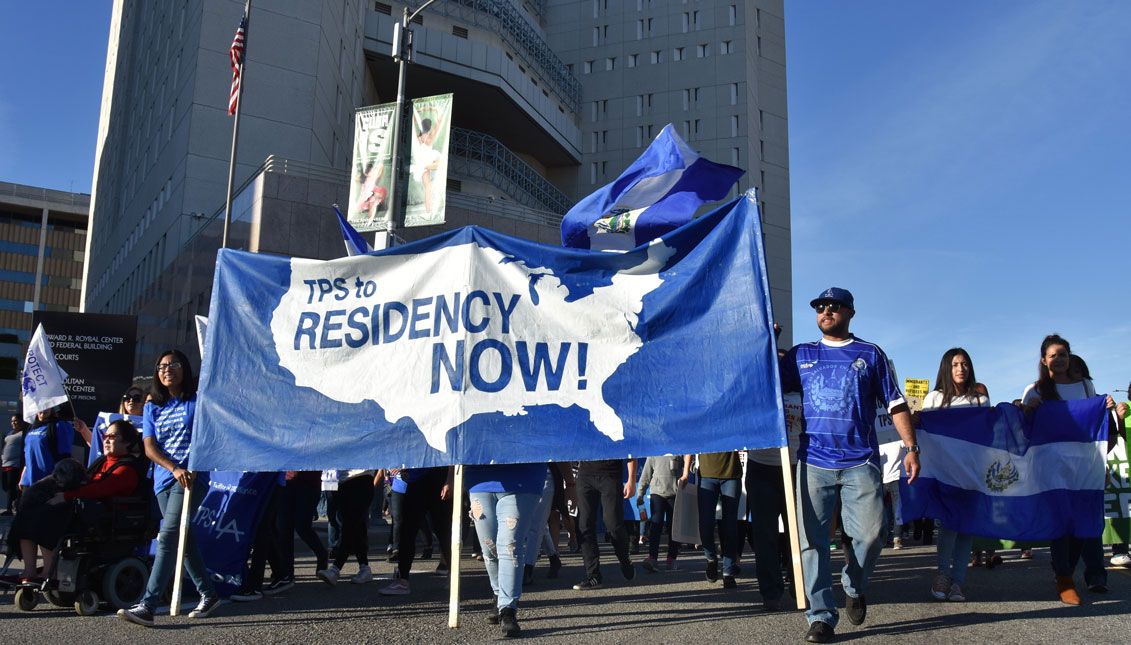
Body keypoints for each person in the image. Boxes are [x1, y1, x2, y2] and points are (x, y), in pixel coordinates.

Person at [780, 288, 919, 644]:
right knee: (812, 541)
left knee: (874, 534)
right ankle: (821, 617)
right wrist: (770, 340)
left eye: (834, 306)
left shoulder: (870, 354)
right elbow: (767, 385)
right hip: (813, 461)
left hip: (861, 460)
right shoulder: (801, 355)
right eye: (820, 307)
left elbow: (896, 404)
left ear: (850, 312)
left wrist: (911, 447)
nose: (826, 311)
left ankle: (854, 583)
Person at [118, 350, 220, 627]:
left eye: (174, 364)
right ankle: (209, 594)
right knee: (183, 539)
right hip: (164, 480)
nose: (167, 370)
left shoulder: (197, 401)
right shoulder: (152, 406)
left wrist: (185, 468)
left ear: (184, 369)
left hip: (191, 479)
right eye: (162, 366)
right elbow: (149, 447)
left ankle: (148, 605)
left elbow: (209, 435)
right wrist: (172, 468)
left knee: (168, 536)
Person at [1020, 337, 1116, 604]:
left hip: (1084, 467)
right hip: (1052, 469)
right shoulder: (1035, 389)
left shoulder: (1086, 386)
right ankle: (1064, 578)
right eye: (1053, 355)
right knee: (1061, 524)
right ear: (1043, 360)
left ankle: (1070, 570)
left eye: (1063, 354)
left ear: (1070, 357)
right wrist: (1029, 410)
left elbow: (1094, 431)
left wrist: (1104, 408)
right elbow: (1026, 432)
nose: (1059, 359)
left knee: (1083, 520)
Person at [7, 419, 146, 581]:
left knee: (44, 517)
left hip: (104, 518)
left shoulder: (127, 469)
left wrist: (65, 496)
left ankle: (49, 572)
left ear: (128, 442)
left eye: (112, 436)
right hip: (83, 510)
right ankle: (29, 571)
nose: (106, 440)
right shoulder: (101, 462)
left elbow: (99, 490)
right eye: (105, 435)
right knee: (26, 516)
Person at [918, 348, 989, 602]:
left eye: (965, 364)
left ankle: (958, 581)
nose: (961, 369)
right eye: (956, 364)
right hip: (945, 473)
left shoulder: (979, 399)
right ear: (947, 368)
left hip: (972, 473)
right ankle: (942, 574)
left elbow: (987, 434)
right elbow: (927, 436)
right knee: (948, 526)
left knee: (965, 529)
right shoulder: (935, 398)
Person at [466, 463, 548, 638]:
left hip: (523, 478)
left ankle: (508, 609)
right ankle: (498, 594)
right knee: (489, 549)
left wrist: (570, 484)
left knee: (509, 546)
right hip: (480, 478)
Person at [379, 467, 452, 596]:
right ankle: (403, 580)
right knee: (406, 529)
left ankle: (453, 575)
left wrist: (450, 480)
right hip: (414, 480)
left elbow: (447, 452)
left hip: (437, 474)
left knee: (442, 529)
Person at [572, 459, 636, 590]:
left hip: (610, 474)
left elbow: (630, 450)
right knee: (584, 524)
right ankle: (593, 575)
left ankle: (624, 559)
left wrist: (631, 480)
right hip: (585, 474)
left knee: (613, 525)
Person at [683, 451, 742, 588]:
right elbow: (690, 443)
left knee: (730, 525)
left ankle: (728, 571)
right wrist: (686, 472)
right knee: (705, 524)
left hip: (731, 474)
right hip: (706, 475)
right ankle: (711, 558)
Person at [317, 468, 377, 585]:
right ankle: (364, 568)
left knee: (349, 527)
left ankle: (335, 569)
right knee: (356, 529)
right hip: (342, 482)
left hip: (362, 479)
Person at [637, 455, 683, 573]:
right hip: (657, 493)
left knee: (674, 527)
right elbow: (646, 473)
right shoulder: (654, 451)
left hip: (675, 494)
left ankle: (671, 558)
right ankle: (652, 558)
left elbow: (689, 466)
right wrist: (640, 493)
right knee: (656, 525)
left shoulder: (680, 450)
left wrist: (695, 465)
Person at [2, 415, 27, 515]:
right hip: (5, 464)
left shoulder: (23, 434)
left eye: (16, 421)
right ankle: (14, 502)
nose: (14, 423)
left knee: (10, 487)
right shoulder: (10, 433)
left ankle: (9, 509)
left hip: (15, 464)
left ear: (21, 422)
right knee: (5, 486)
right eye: (12, 421)